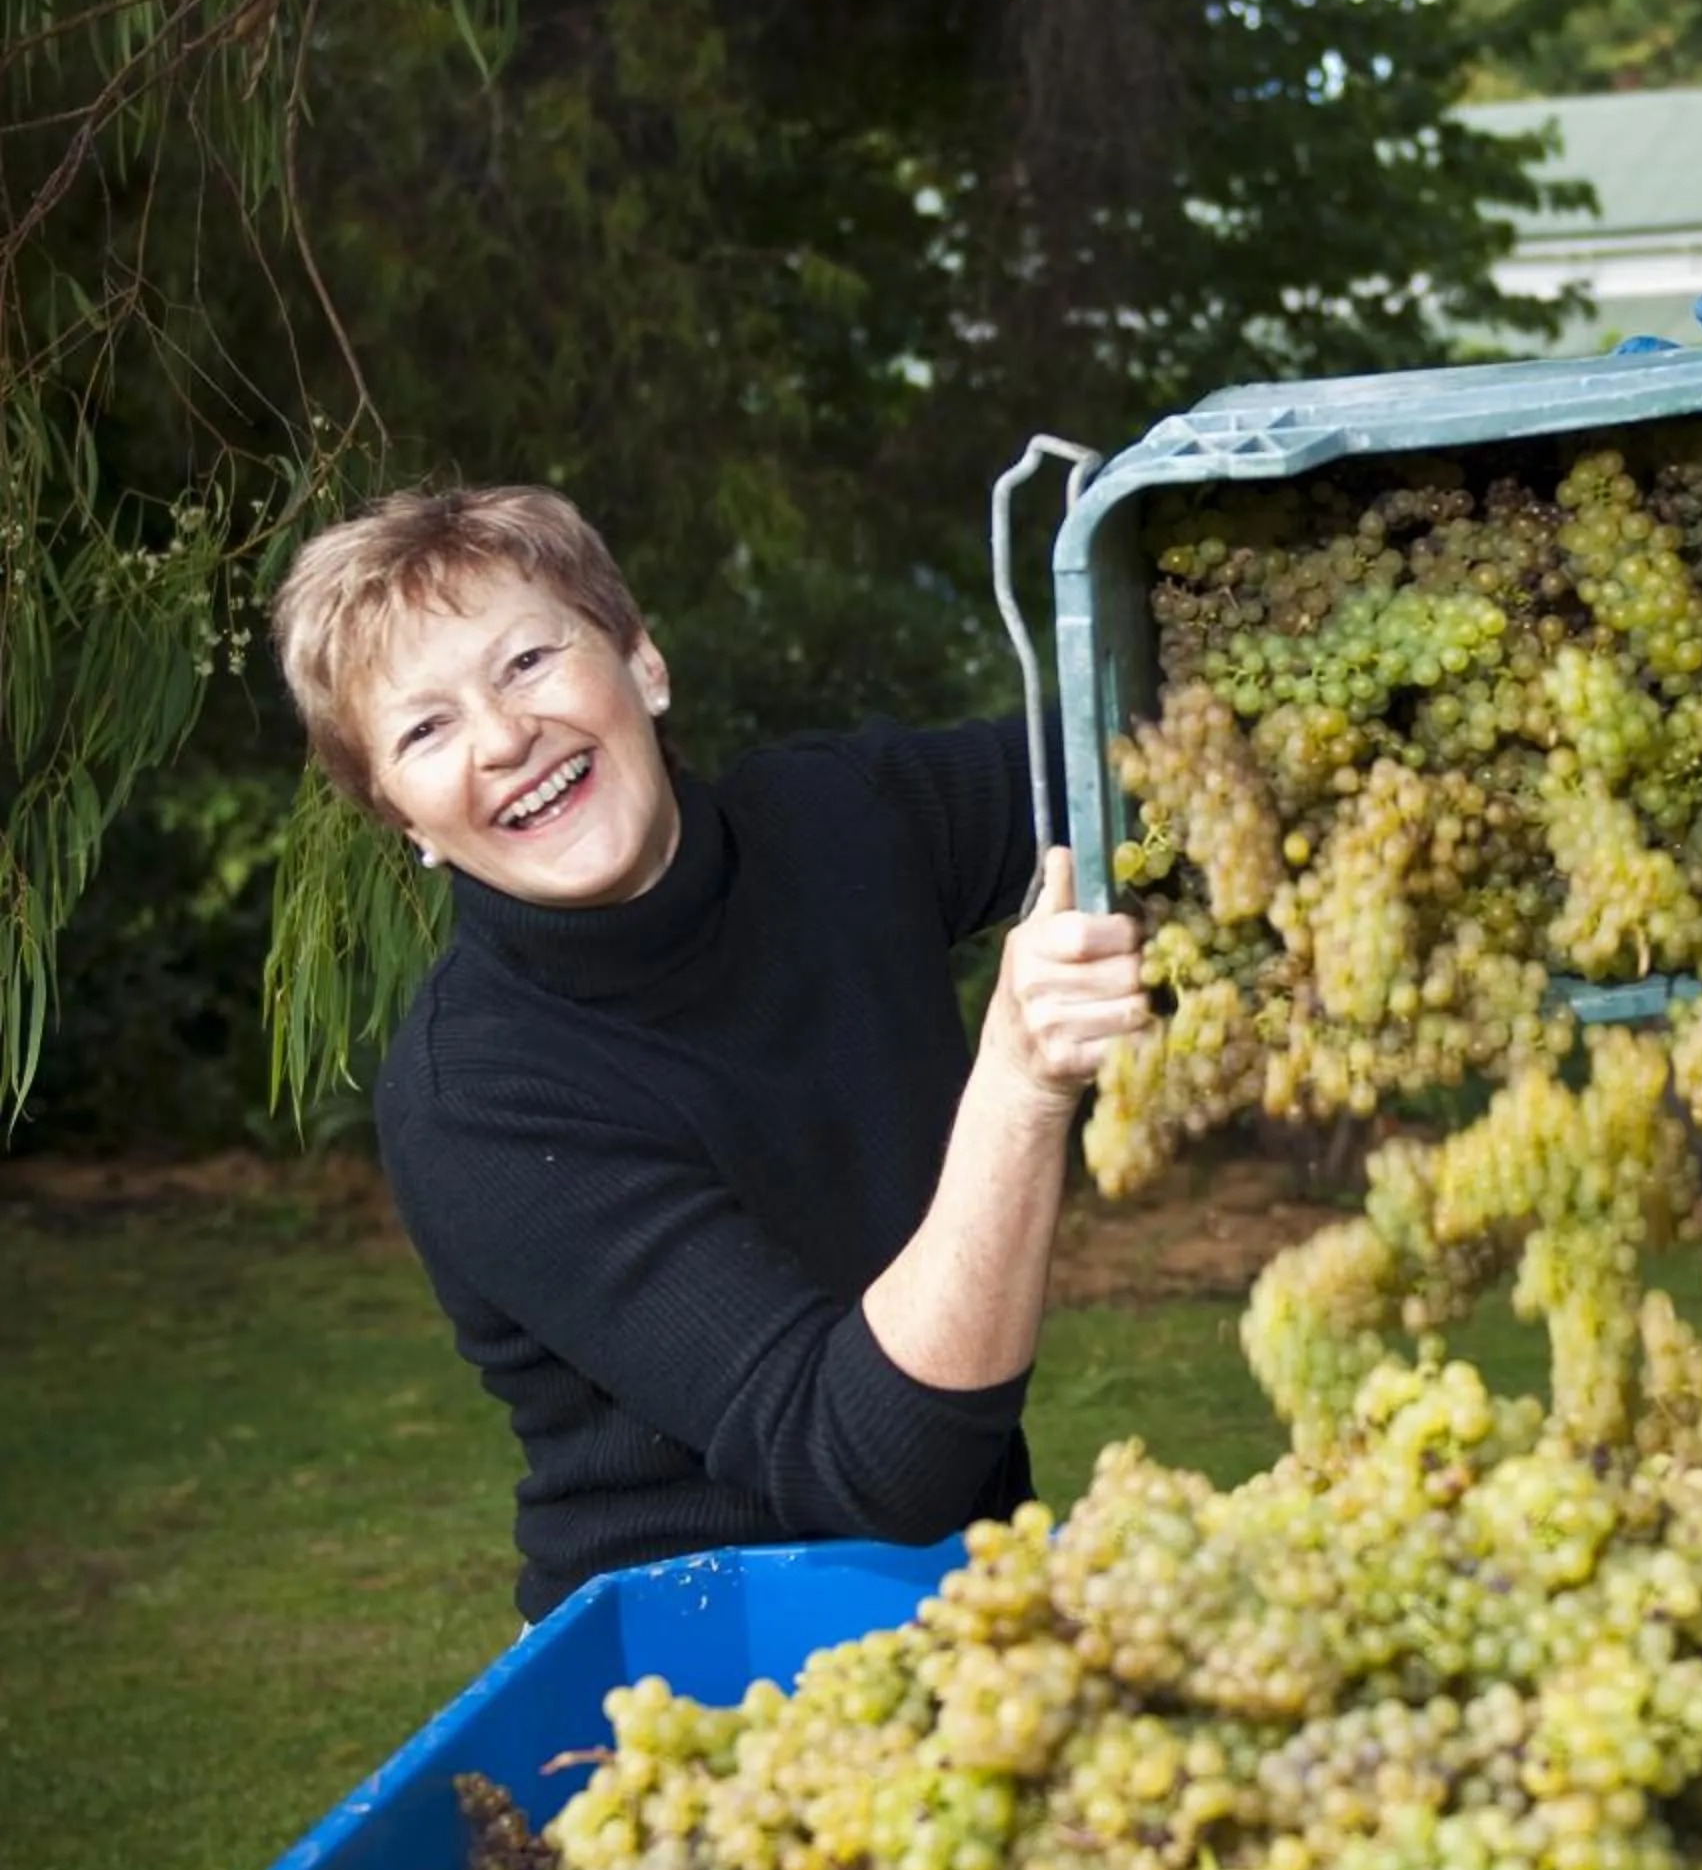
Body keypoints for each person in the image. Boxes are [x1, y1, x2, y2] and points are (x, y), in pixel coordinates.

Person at [269, 485, 1151, 1624]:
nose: (502, 738)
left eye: (527, 660)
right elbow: (875, 1462)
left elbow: (1137, 753)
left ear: (644, 664)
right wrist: (1021, 1085)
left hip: (978, 1602)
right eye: (425, 728)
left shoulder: (837, 821)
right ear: (403, 821)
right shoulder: (475, 1095)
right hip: (698, 1663)